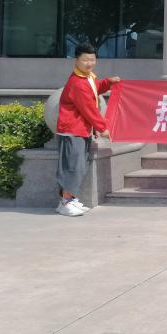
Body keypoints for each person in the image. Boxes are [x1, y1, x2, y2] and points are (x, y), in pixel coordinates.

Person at [54, 44, 119, 216]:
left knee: (78, 166)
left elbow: (95, 89)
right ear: (76, 61)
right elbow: (89, 109)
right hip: (72, 130)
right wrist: (102, 128)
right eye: (85, 60)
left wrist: (108, 83)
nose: (89, 63)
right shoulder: (78, 83)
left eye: (92, 59)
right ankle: (65, 202)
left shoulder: (87, 77)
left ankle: (70, 200)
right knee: (72, 167)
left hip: (80, 130)